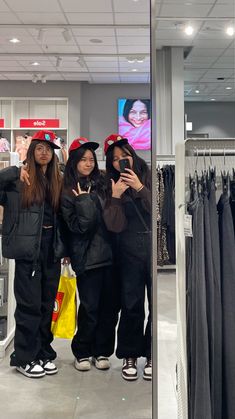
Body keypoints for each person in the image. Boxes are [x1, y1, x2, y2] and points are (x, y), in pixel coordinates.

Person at [0, 130, 65, 378]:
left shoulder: (57, 180)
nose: (44, 152)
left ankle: (42, 352)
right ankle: (23, 357)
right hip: (29, 250)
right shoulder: (19, 179)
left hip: (51, 249)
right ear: (31, 150)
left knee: (47, 305)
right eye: (39, 147)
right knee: (28, 306)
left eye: (49, 148)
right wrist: (14, 171)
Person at [61, 137, 117, 372]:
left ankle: (102, 350)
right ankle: (83, 351)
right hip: (87, 257)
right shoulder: (67, 192)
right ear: (74, 162)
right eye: (83, 159)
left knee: (109, 309)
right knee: (90, 308)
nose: (88, 163)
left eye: (91, 159)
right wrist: (83, 200)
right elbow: (79, 227)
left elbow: (111, 218)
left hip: (111, 256)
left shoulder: (103, 183)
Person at [103, 134, 152, 381]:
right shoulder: (110, 184)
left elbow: (160, 210)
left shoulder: (149, 174)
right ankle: (130, 354)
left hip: (153, 248)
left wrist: (140, 188)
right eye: (115, 159)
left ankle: (151, 353)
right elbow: (113, 225)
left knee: (156, 304)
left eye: (124, 156)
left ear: (132, 154)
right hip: (128, 249)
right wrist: (115, 197)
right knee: (131, 304)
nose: (120, 162)